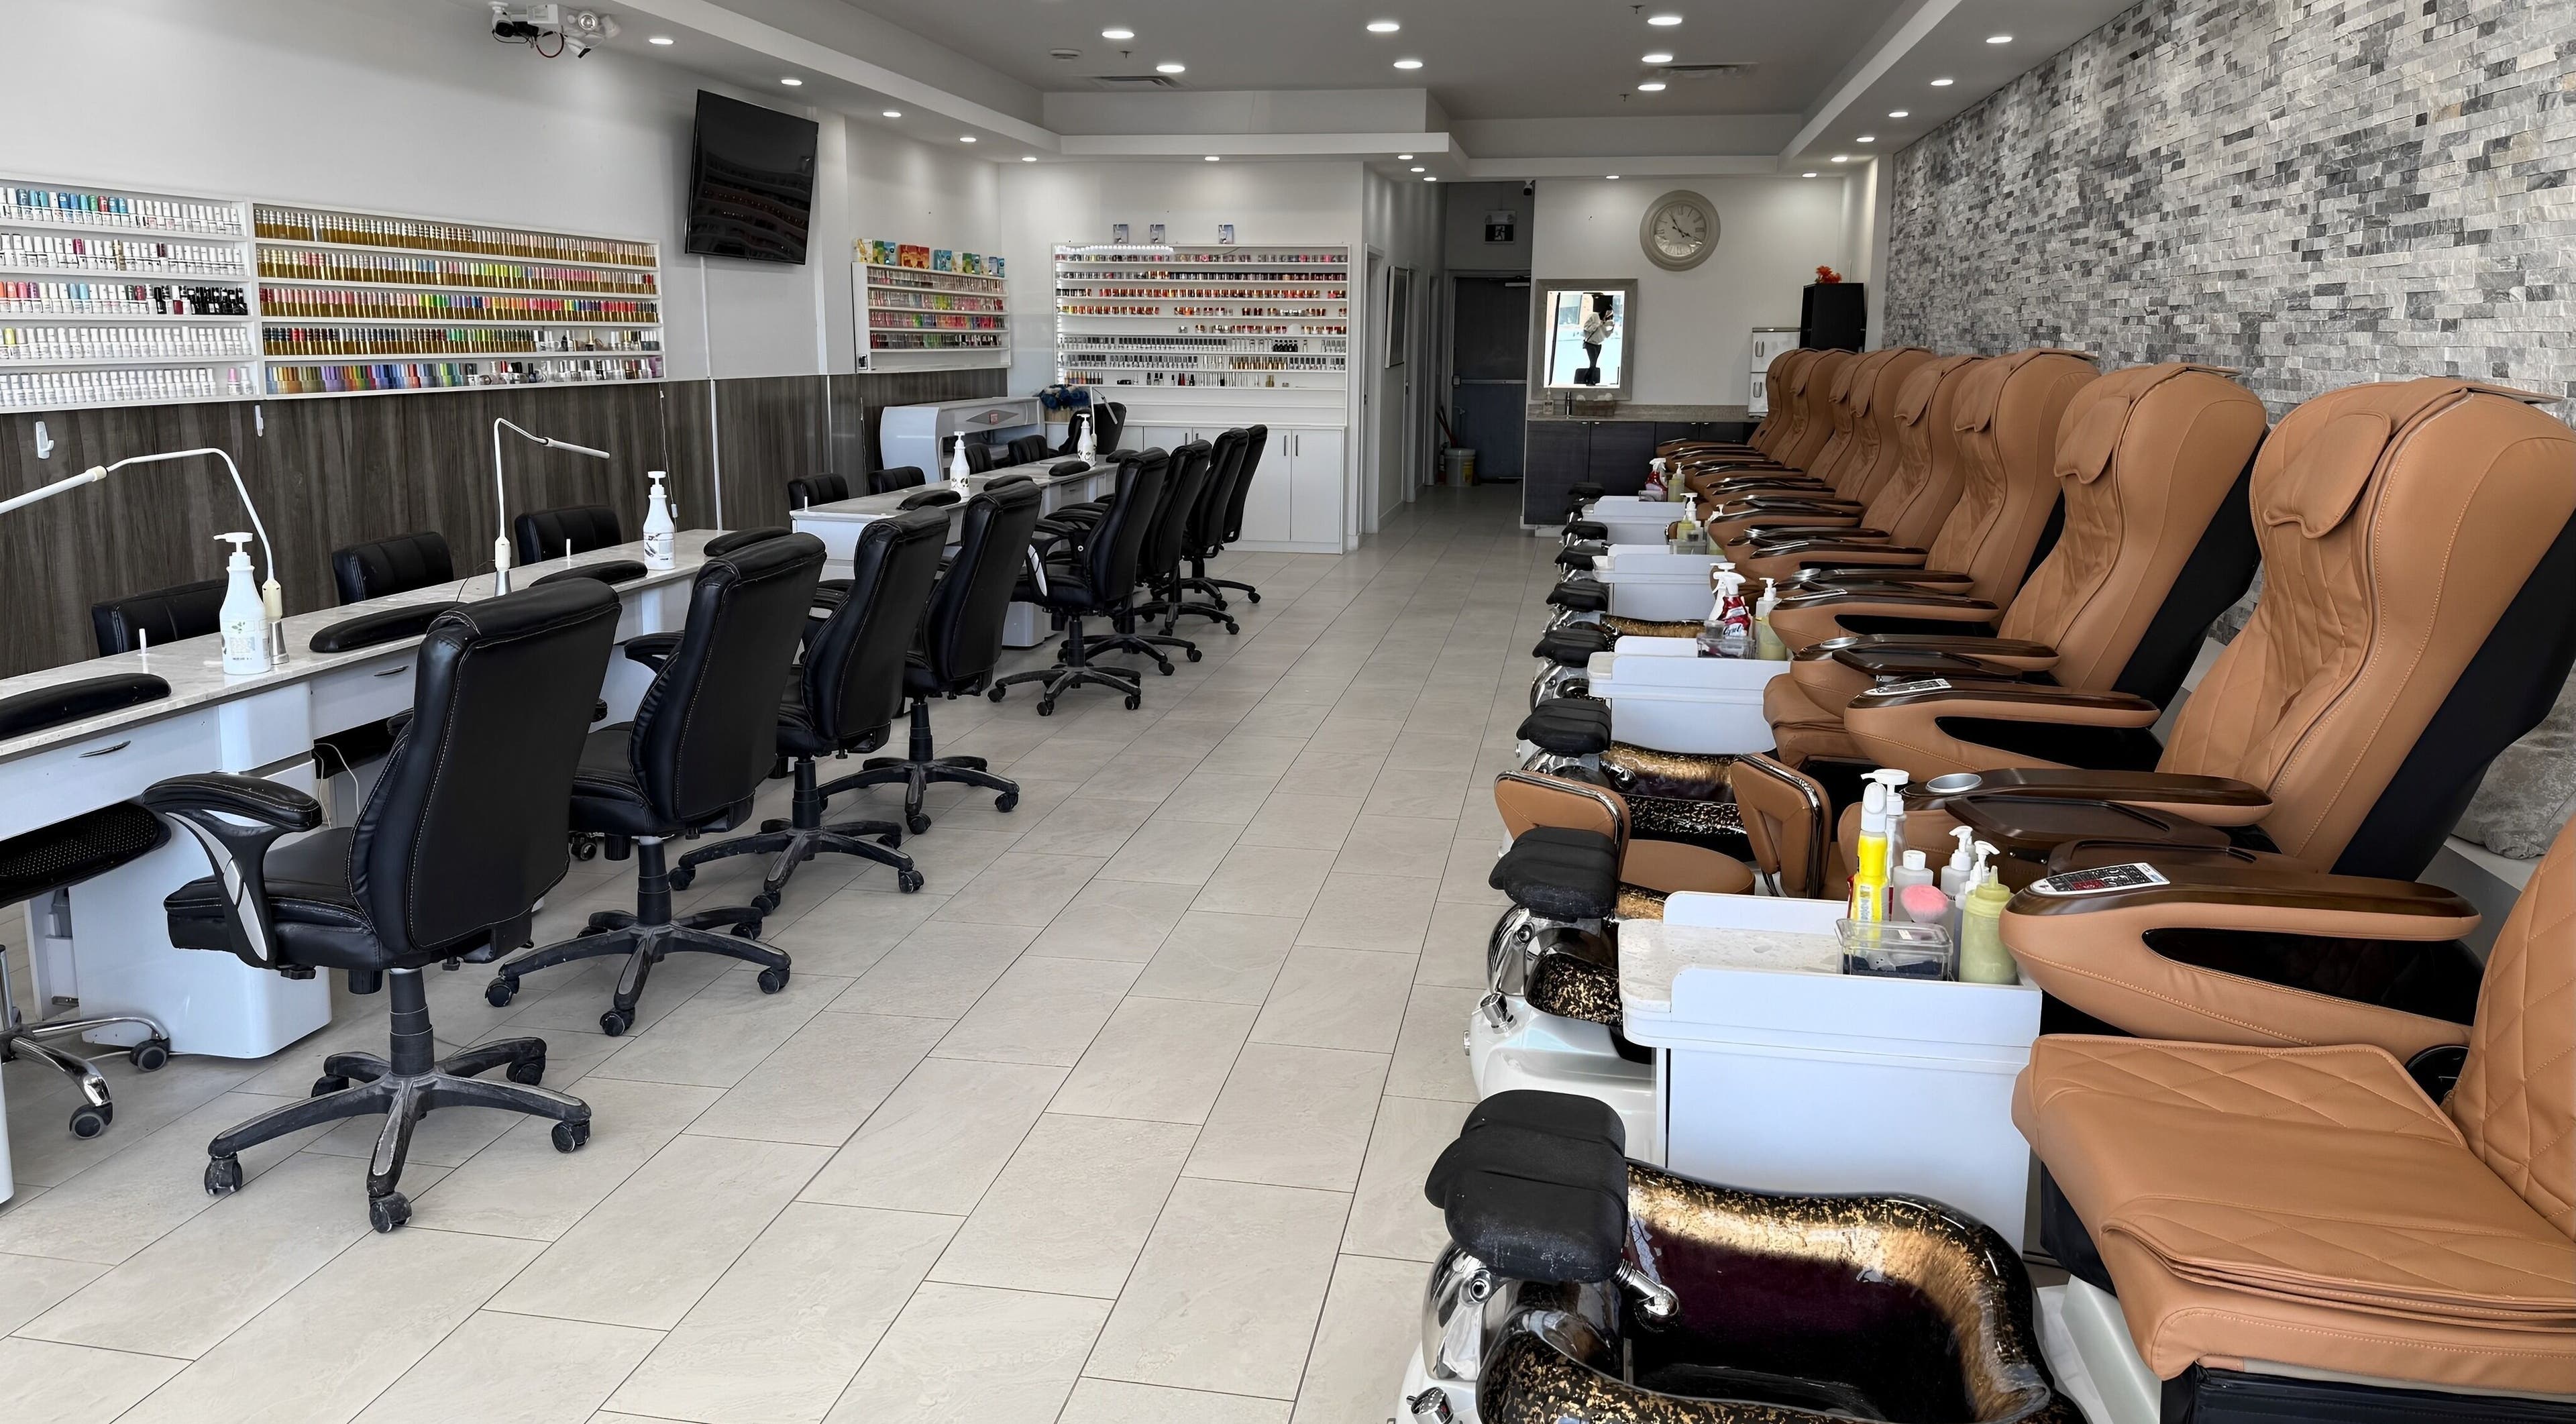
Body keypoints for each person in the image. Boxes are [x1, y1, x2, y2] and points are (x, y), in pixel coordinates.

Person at [1579, 293, 1614, 385]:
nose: (1608, 314)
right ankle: (1586, 380)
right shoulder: (1594, 316)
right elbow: (1587, 327)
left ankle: (1590, 380)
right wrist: (1599, 324)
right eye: (1608, 312)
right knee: (1593, 363)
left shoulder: (1604, 320)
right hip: (1590, 343)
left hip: (1598, 344)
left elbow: (1605, 335)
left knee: (1594, 364)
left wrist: (1611, 328)